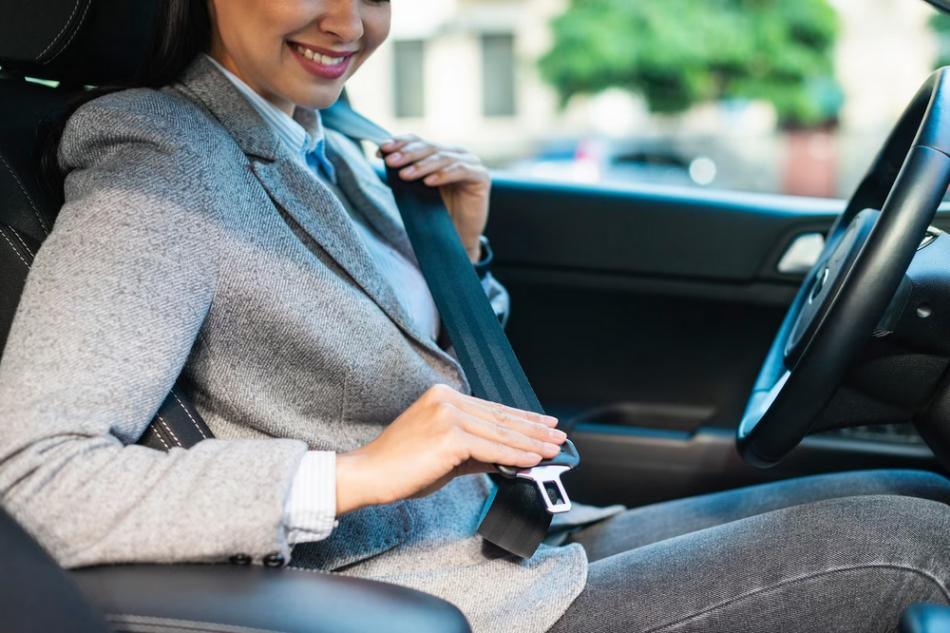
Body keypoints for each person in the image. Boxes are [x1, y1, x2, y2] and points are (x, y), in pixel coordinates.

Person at [0, 1, 947, 632]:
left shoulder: (323, 140)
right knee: (919, 550)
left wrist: (456, 257)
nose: (350, 21)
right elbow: (31, 480)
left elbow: (395, 362)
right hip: (407, 596)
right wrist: (351, 474)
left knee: (920, 500)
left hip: (508, 539)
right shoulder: (160, 163)